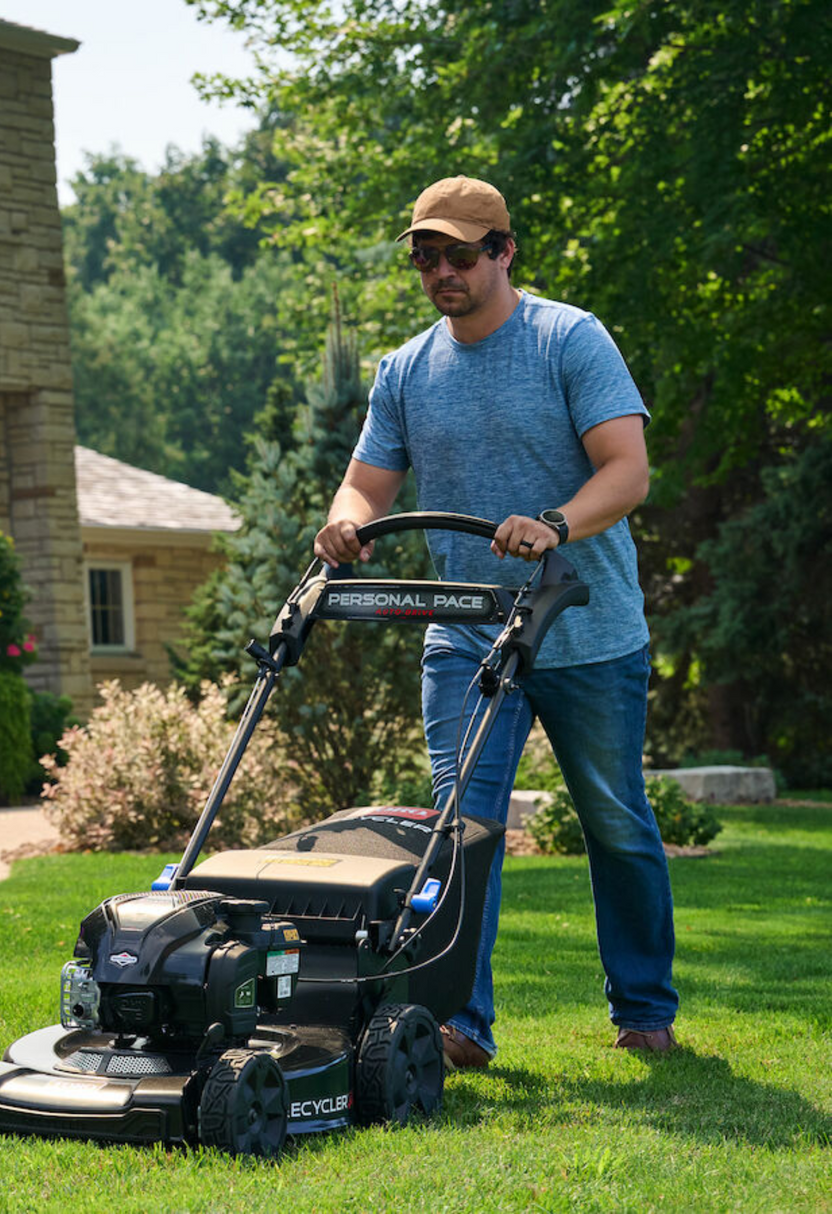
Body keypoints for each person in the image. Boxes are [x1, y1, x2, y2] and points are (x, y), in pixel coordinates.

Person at [314, 175, 678, 1068]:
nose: (442, 270)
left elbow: (627, 472)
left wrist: (554, 522)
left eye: (461, 254)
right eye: (426, 256)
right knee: (458, 830)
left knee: (614, 820)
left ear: (504, 252)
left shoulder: (568, 338)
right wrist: (346, 517)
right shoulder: (406, 370)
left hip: (585, 628)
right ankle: (458, 1024)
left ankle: (642, 1009)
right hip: (468, 628)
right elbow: (368, 478)